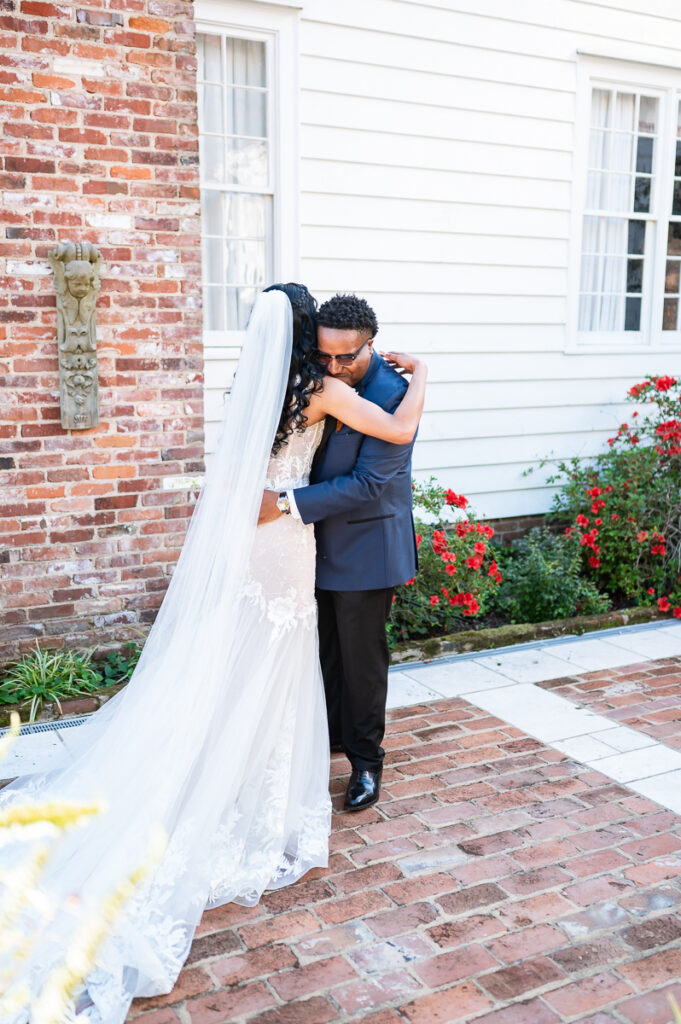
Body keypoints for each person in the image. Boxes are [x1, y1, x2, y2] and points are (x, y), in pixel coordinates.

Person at [0, 284, 426, 1024]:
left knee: (248, 660)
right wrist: (428, 377)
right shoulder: (320, 389)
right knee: (275, 661)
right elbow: (396, 431)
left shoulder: (256, 388)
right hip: (283, 543)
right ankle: (254, 781)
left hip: (254, 535)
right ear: (307, 336)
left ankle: (249, 765)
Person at [258, 293, 419, 811]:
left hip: (365, 546)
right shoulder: (316, 380)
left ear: (370, 345)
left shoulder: (393, 393)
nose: (333, 367)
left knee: (361, 662)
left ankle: (367, 764)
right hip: (307, 542)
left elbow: (368, 482)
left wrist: (282, 504)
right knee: (319, 653)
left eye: (345, 358)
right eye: (324, 356)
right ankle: (323, 742)